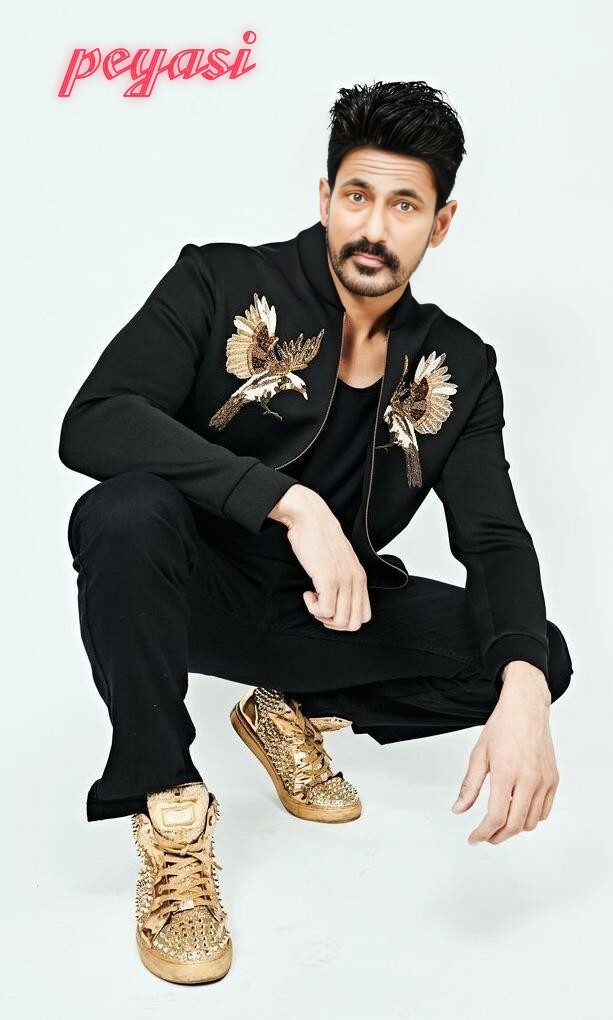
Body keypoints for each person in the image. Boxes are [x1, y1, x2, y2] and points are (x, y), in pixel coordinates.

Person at [59, 80, 574, 985]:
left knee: (534, 655)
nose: (373, 228)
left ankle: (286, 710)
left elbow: (493, 537)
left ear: (440, 224)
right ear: (325, 196)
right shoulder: (218, 280)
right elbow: (95, 421)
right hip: (184, 595)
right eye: (357, 196)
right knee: (123, 511)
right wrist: (289, 503)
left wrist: (525, 690)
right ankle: (170, 813)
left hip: (324, 617)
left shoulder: (458, 363)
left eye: (403, 206)